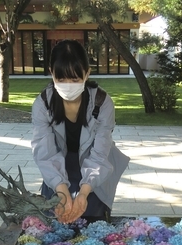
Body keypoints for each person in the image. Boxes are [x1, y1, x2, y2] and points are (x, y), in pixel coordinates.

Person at [31, 39, 130, 224]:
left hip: (95, 163)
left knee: (92, 216)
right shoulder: (43, 104)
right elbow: (44, 153)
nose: (68, 84)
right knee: (54, 215)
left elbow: (101, 152)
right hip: (58, 163)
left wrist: (84, 192)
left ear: (87, 74)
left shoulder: (102, 102)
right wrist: (61, 190)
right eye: (61, 79)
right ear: (51, 73)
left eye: (75, 79)